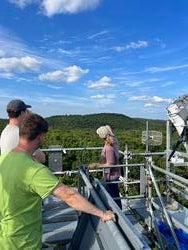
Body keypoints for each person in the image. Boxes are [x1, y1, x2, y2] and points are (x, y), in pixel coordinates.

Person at [0, 113, 115, 249]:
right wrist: (102, 213)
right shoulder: (34, 170)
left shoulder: (4, 159)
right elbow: (69, 195)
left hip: (5, 238)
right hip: (23, 243)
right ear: (41, 136)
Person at [89, 125, 122, 209]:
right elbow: (112, 135)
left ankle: (118, 216)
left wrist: (96, 165)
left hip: (111, 176)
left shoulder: (108, 148)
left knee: (114, 198)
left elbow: (110, 164)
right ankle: (118, 214)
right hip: (114, 175)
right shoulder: (114, 143)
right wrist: (108, 129)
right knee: (114, 196)